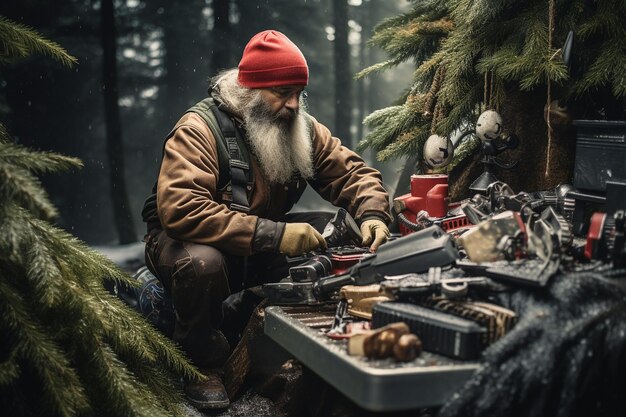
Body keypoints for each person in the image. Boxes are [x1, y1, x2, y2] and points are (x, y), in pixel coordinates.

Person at [141, 30, 391, 410]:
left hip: (255, 244)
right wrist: (274, 234)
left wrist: (372, 213)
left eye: (299, 93)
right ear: (250, 89)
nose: (293, 104)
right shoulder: (198, 130)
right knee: (201, 263)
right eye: (282, 92)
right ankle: (200, 360)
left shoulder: (299, 125)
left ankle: (260, 321)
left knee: (337, 234)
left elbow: (352, 173)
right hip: (188, 243)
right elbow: (181, 210)